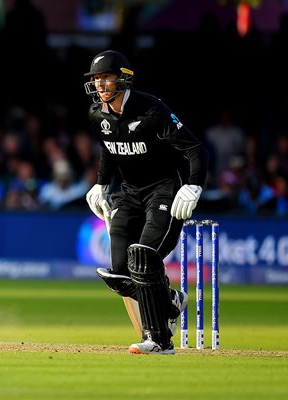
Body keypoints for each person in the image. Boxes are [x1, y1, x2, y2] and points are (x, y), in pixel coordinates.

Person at [83, 50, 209, 354]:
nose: (100, 84)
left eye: (106, 78)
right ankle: (170, 300)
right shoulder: (96, 113)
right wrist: (100, 184)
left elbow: (195, 149)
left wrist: (193, 186)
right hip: (128, 193)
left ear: (123, 79)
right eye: (96, 79)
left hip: (165, 191)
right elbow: (108, 147)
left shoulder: (151, 110)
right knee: (120, 273)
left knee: (144, 259)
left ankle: (158, 340)